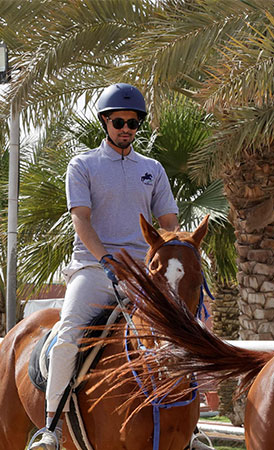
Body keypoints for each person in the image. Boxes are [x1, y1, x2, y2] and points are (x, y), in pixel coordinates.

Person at [29, 83, 182, 449]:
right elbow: (81, 219)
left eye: (133, 123)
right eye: (118, 122)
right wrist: (105, 259)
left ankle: (189, 430)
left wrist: (172, 255)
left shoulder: (153, 169)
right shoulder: (83, 164)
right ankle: (51, 428)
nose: (126, 128)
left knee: (180, 335)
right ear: (104, 122)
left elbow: (169, 221)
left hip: (143, 273)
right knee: (67, 336)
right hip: (95, 269)